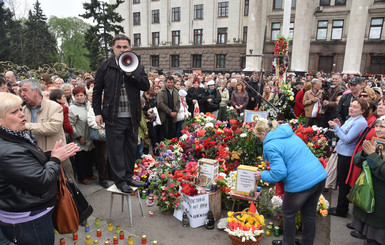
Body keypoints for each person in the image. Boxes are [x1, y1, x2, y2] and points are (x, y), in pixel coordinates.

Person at [0, 92, 79, 245]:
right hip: (29, 220)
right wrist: (56, 159)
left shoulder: (14, 136)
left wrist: (48, 158)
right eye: (14, 112)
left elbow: (26, 171)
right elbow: (42, 180)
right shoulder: (8, 150)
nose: (22, 114)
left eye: (20, 109)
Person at [254, 119, 327, 245]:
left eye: (258, 137)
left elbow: (280, 173)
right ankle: (306, 242)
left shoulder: (270, 145)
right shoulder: (288, 134)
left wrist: (262, 175)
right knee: (309, 215)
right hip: (318, 177)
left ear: (263, 134)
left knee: (288, 214)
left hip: (300, 183)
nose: (260, 140)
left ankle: (288, 243)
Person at [92, 34, 150, 193]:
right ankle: (119, 180)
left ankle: (129, 176)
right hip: (113, 116)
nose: (122, 49)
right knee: (116, 150)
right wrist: (97, 112)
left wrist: (132, 75)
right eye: (119, 47)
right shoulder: (106, 66)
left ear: (130, 48)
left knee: (131, 148)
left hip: (132, 117)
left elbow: (145, 85)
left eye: (125, 47)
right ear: (113, 48)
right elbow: (97, 91)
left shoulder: (137, 65)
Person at [19, 79, 75, 181]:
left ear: (36, 91)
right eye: (20, 91)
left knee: (67, 185)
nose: (22, 94)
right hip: (35, 156)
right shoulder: (23, 110)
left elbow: (53, 127)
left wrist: (27, 126)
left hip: (57, 154)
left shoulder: (54, 107)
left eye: (25, 90)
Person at [328, 99, 368, 217]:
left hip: (347, 155)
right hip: (342, 152)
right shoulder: (352, 118)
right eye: (351, 106)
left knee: (344, 183)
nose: (351, 108)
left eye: (355, 107)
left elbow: (346, 139)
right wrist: (338, 127)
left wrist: (336, 127)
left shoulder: (361, 122)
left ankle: (342, 209)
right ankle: (340, 206)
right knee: (341, 181)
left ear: (363, 111)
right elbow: (342, 133)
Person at [350, 116, 385, 245]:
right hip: (369, 196)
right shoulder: (376, 141)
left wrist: (372, 155)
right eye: (377, 126)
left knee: (376, 239)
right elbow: (357, 162)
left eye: (382, 127)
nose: (378, 130)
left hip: (381, 204)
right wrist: (364, 154)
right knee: (368, 238)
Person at [69, 86, 96, 185]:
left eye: (81, 95)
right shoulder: (72, 108)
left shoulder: (88, 104)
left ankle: (89, 174)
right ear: (74, 96)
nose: (79, 97)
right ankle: (82, 177)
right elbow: (70, 125)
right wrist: (78, 137)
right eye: (77, 96)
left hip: (89, 135)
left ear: (85, 95)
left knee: (89, 156)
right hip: (79, 136)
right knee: (81, 158)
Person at [87, 88, 110, 188]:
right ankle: (103, 178)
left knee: (111, 157)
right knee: (102, 158)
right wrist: (104, 125)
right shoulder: (92, 108)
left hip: (111, 135)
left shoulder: (108, 105)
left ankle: (111, 175)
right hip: (100, 137)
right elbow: (92, 122)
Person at [157, 76, 180, 141]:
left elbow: (178, 103)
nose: (170, 84)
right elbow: (160, 104)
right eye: (168, 82)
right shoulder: (161, 92)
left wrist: (175, 111)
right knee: (164, 135)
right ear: (165, 82)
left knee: (172, 135)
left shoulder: (176, 92)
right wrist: (170, 112)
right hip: (164, 117)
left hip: (173, 117)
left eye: (171, 82)